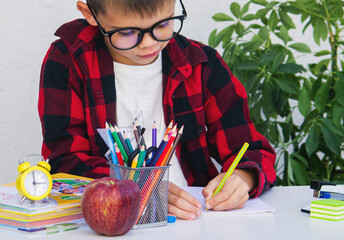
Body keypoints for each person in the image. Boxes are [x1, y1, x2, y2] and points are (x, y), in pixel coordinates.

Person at [38, 0, 276, 220]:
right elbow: (64, 161)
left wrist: (243, 177)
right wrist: (138, 188)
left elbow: (252, 149)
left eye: (163, 24)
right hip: (110, 221)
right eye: (128, 32)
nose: (149, 43)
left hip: (195, 219)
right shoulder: (68, 60)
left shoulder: (201, 63)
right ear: (90, 14)